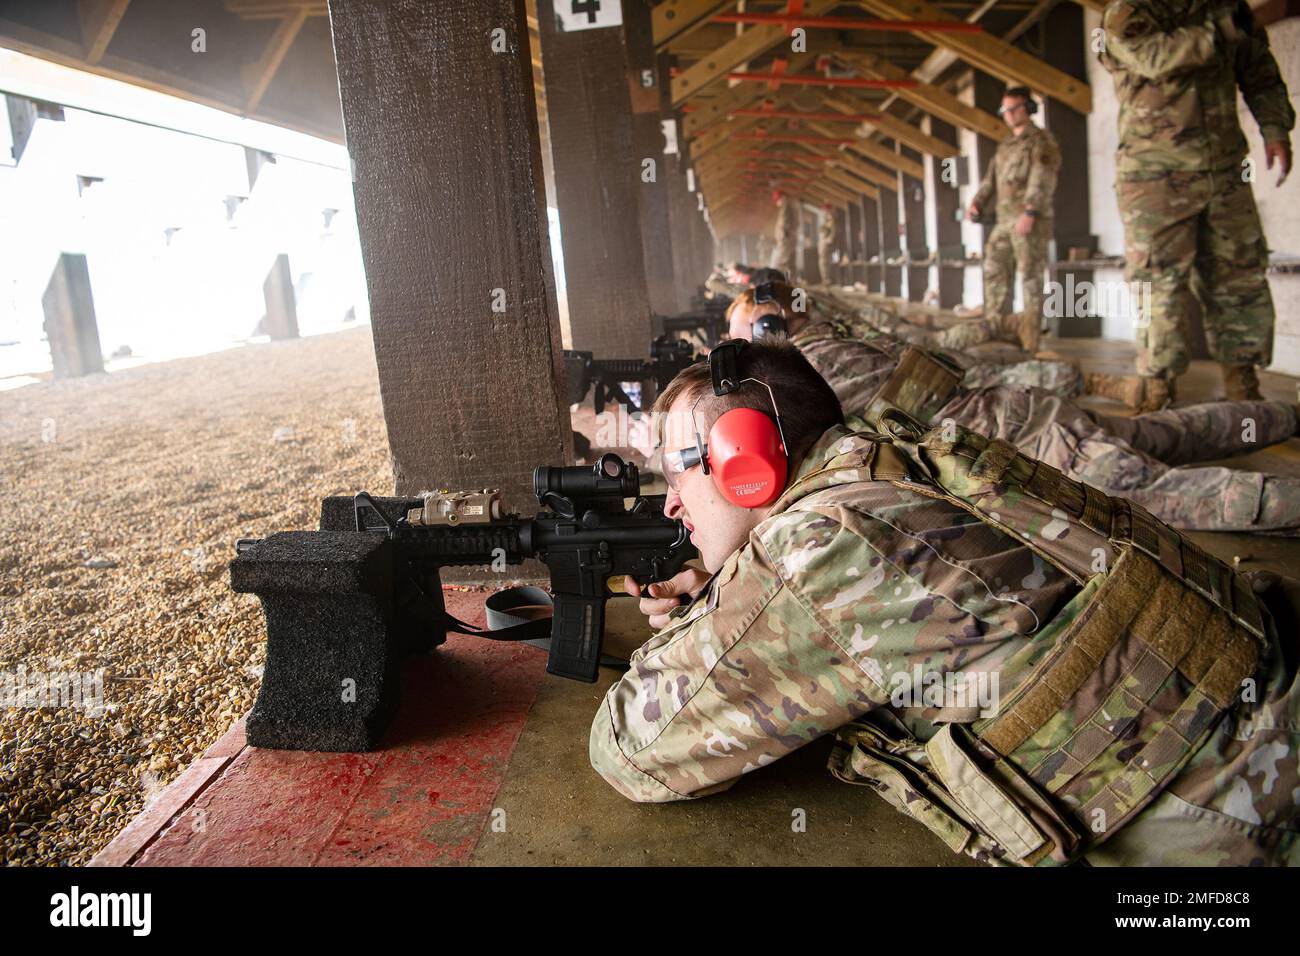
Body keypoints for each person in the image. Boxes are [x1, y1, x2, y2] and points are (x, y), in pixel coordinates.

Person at [590, 337, 1300, 865]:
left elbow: (634, 748)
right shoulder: (891, 455)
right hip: (1263, 686)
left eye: (677, 473)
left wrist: (718, 611)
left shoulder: (822, 549)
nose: (672, 502)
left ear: (746, 461)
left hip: (1249, 827)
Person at [729, 282, 1300, 534]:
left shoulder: (819, 359)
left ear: (771, 323)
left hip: (1037, 442)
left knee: (1183, 498)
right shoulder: (842, 332)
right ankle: (1288, 414)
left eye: (747, 335)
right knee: (1169, 432)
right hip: (1036, 415)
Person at [1095, 0, 1294, 411]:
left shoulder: (1224, 7)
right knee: (1159, 285)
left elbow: (1258, 70)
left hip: (1223, 171)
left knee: (1239, 277)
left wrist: (1274, 128)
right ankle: (1157, 392)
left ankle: (1243, 389)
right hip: (1154, 178)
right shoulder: (1128, 11)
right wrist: (1236, 24)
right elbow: (1156, 57)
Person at [968, 86, 1061, 353]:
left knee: (1030, 277)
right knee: (994, 269)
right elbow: (991, 180)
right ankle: (998, 329)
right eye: (1004, 110)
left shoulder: (1041, 142)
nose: (1008, 115)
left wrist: (1030, 211)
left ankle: (1031, 340)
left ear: (1028, 109)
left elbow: (1042, 178)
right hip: (1004, 220)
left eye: (1013, 109)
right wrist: (978, 201)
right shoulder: (1005, 145)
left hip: (1029, 219)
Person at [772, 191, 800, 279]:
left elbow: (784, 221)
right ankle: (792, 283)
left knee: (782, 263)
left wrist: (783, 234)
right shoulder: (791, 206)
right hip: (790, 238)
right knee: (791, 263)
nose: (777, 204)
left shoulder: (785, 204)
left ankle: (780, 283)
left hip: (786, 239)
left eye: (777, 201)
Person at [817, 204, 837, 285]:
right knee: (823, 262)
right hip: (823, 243)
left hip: (826, 245)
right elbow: (820, 230)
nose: (823, 212)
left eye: (824, 210)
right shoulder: (825, 220)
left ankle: (827, 279)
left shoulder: (831, 220)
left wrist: (829, 239)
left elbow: (833, 233)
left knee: (825, 262)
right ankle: (825, 279)